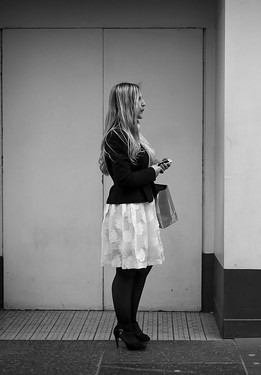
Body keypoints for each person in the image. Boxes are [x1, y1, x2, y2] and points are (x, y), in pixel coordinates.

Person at [99, 82, 171, 350]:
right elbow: (124, 179)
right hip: (127, 211)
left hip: (142, 207)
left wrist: (155, 168)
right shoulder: (116, 136)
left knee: (142, 267)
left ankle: (132, 324)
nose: (144, 103)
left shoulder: (133, 134)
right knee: (128, 269)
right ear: (128, 103)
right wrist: (155, 170)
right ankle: (124, 327)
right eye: (139, 99)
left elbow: (137, 173)